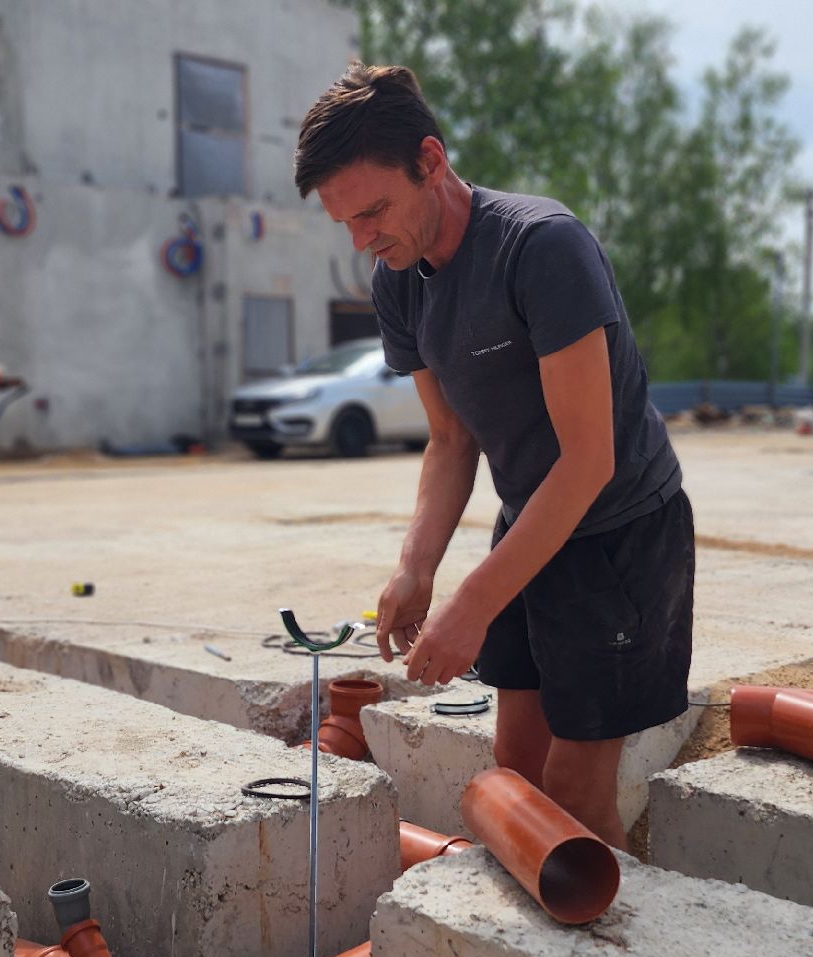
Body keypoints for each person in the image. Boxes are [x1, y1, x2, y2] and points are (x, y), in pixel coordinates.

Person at [294, 64, 692, 850]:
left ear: (430, 161)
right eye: (344, 223)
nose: (363, 238)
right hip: (528, 528)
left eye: (373, 211)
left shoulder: (540, 247)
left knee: (574, 792)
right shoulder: (399, 281)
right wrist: (416, 569)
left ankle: (615, 920)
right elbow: (450, 438)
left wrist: (471, 607)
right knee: (517, 766)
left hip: (619, 534)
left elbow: (588, 460)